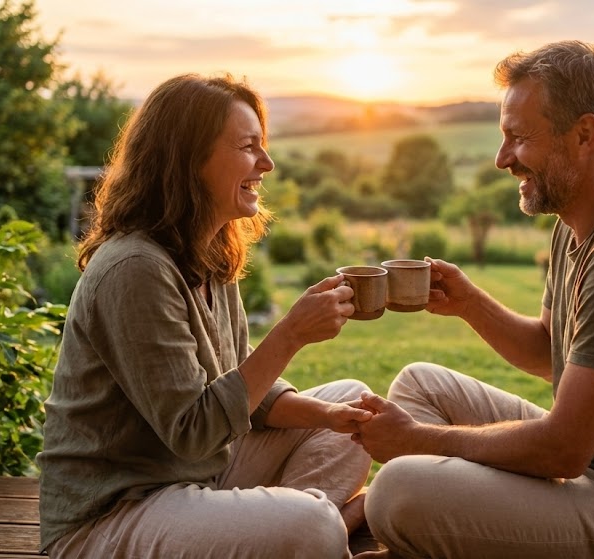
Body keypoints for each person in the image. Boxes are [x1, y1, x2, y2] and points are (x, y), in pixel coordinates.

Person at [353, 40, 594, 559]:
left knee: (398, 492)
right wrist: (470, 302)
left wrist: (417, 441)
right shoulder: (578, 221)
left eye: (518, 137)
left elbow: (563, 448)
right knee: (420, 384)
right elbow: (547, 351)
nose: (501, 158)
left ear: (584, 134)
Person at [36, 73, 374, 559]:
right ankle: (318, 529)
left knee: (351, 406)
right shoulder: (135, 268)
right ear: (188, 160)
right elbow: (194, 429)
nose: (267, 163)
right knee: (311, 526)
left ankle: (297, 530)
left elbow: (245, 393)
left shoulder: (210, 252)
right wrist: (292, 334)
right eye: (247, 146)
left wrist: (332, 417)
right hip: (113, 512)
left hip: (198, 476)